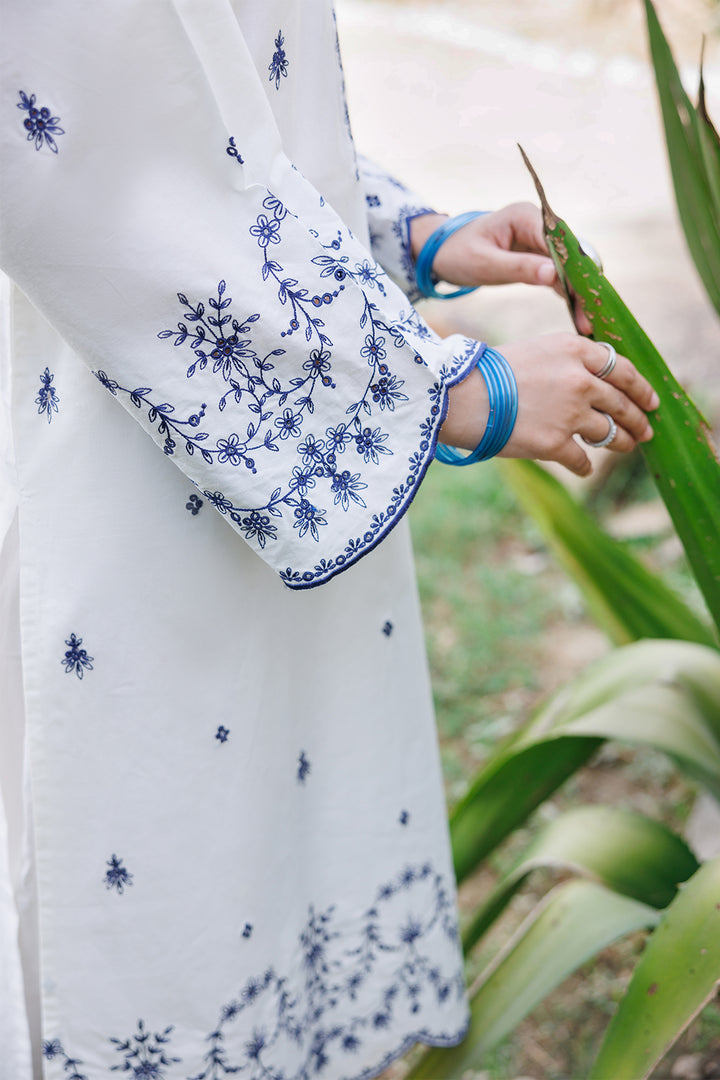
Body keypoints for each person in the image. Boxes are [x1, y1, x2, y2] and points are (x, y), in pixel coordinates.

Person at [0, 3, 658, 1078]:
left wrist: (405, 229)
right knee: (158, 853)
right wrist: (435, 390)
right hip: (118, 454)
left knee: (266, 812)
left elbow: (223, 94)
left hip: (245, 448)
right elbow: (73, 147)